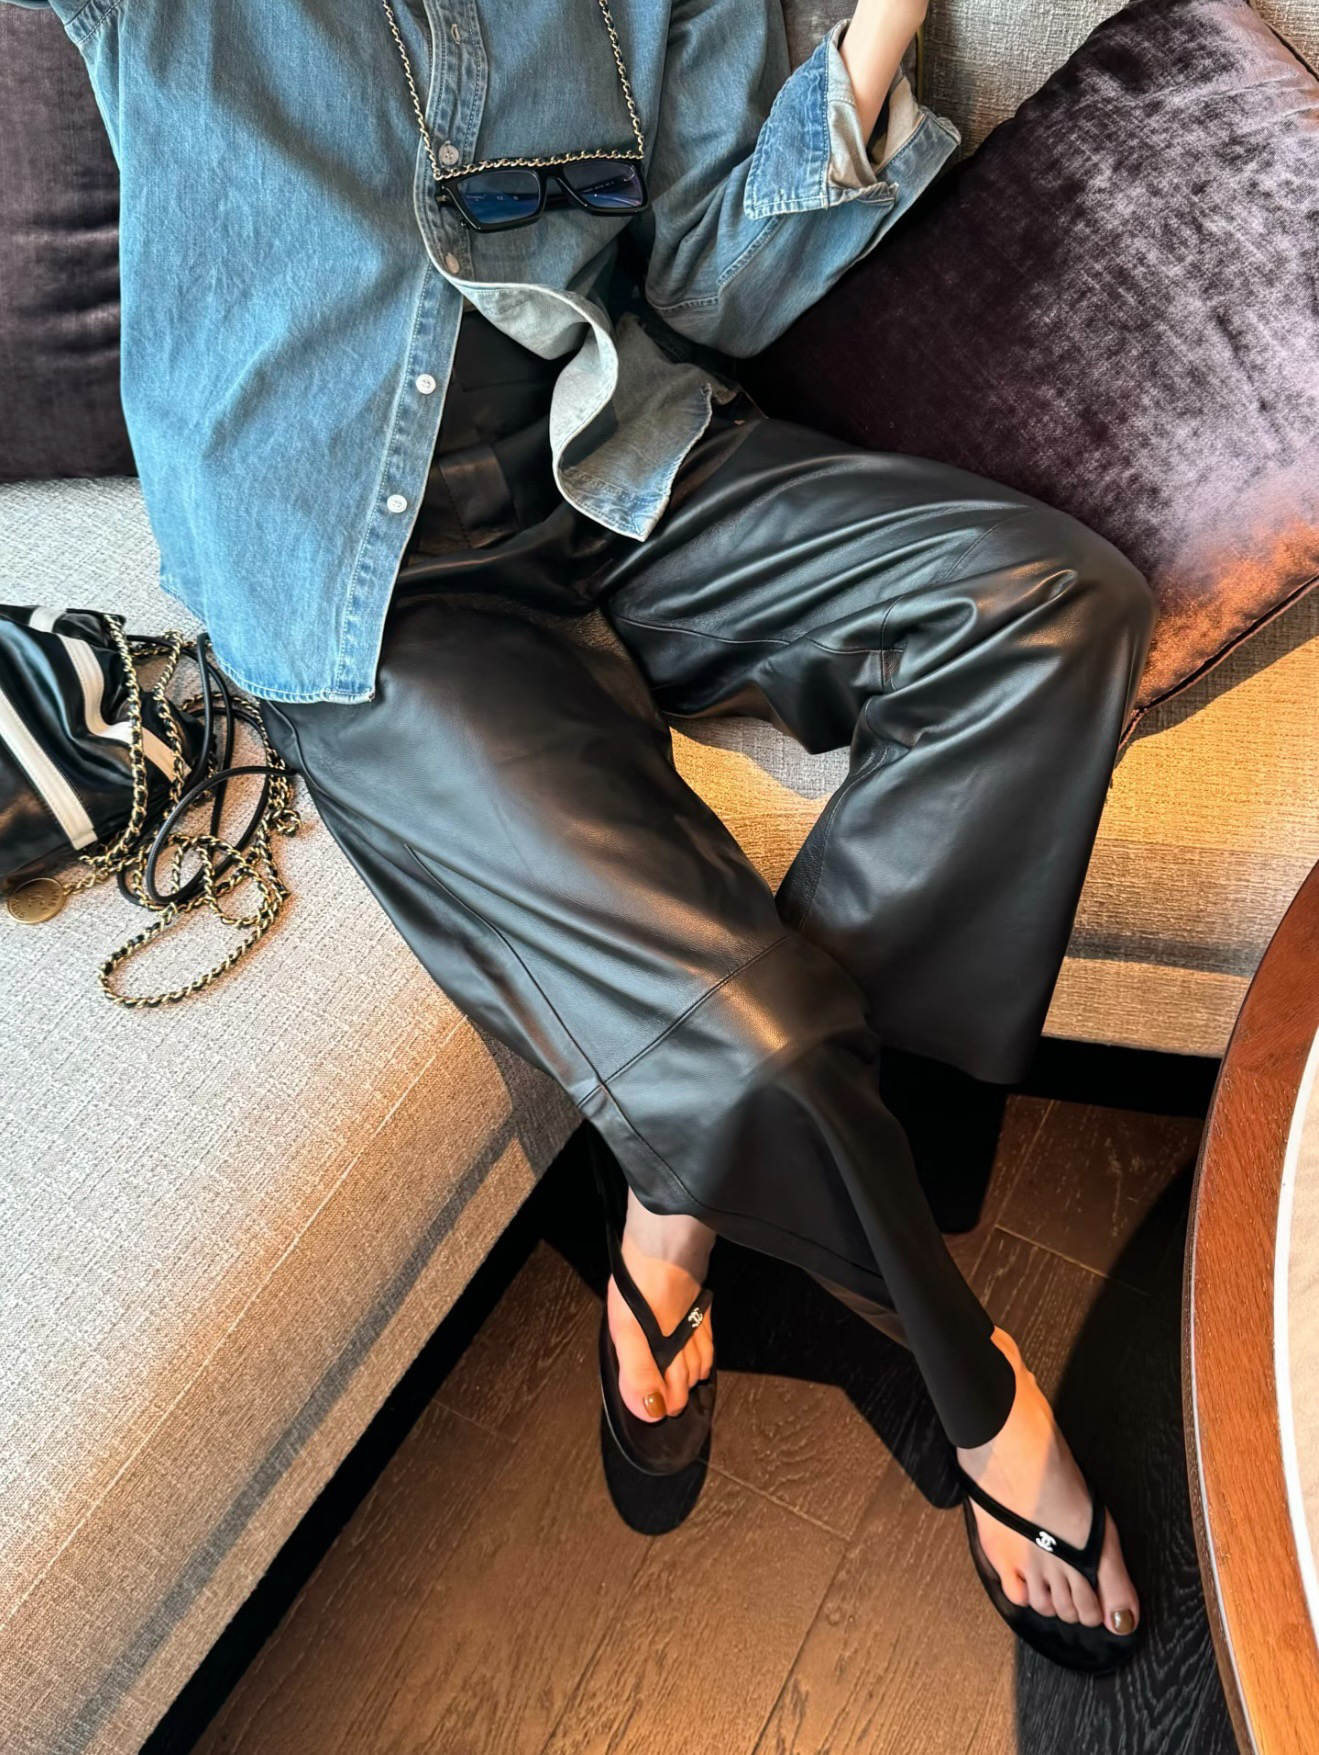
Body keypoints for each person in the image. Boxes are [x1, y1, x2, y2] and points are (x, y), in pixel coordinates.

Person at [19, 0, 1153, 1671]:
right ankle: (978, 1400)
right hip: (372, 593)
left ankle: (682, 1185)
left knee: (1053, 607)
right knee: (755, 1045)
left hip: (620, 468)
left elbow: (712, 280)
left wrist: (884, 26)